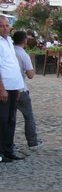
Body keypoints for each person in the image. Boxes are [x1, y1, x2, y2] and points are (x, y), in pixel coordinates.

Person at [0, 15, 26, 162]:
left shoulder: (9, 41)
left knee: (11, 120)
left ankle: (8, 149)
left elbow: (13, 64)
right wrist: (1, 89)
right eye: (1, 26)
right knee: (2, 121)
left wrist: (18, 87)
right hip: (4, 86)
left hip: (13, 85)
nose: (5, 28)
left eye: (6, 25)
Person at [12, 31, 42, 150]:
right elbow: (30, 75)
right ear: (25, 40)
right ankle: (32, 141)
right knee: (28, 116)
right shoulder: (23, 54)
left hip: (8, 88)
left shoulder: (9, 51)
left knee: (9, 118)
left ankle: (9, 143)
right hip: (21, 88)